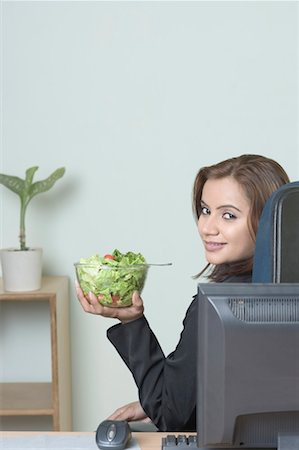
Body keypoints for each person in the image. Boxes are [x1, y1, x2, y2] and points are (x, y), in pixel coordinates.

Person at [75, 154, 290, 432]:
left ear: (266, 221)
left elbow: (170, 415)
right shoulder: (284, 294)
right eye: (205, 210)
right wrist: (160, 401)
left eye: (228, 215)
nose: (206, 228)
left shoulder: (219, 307)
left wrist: (131, 322)